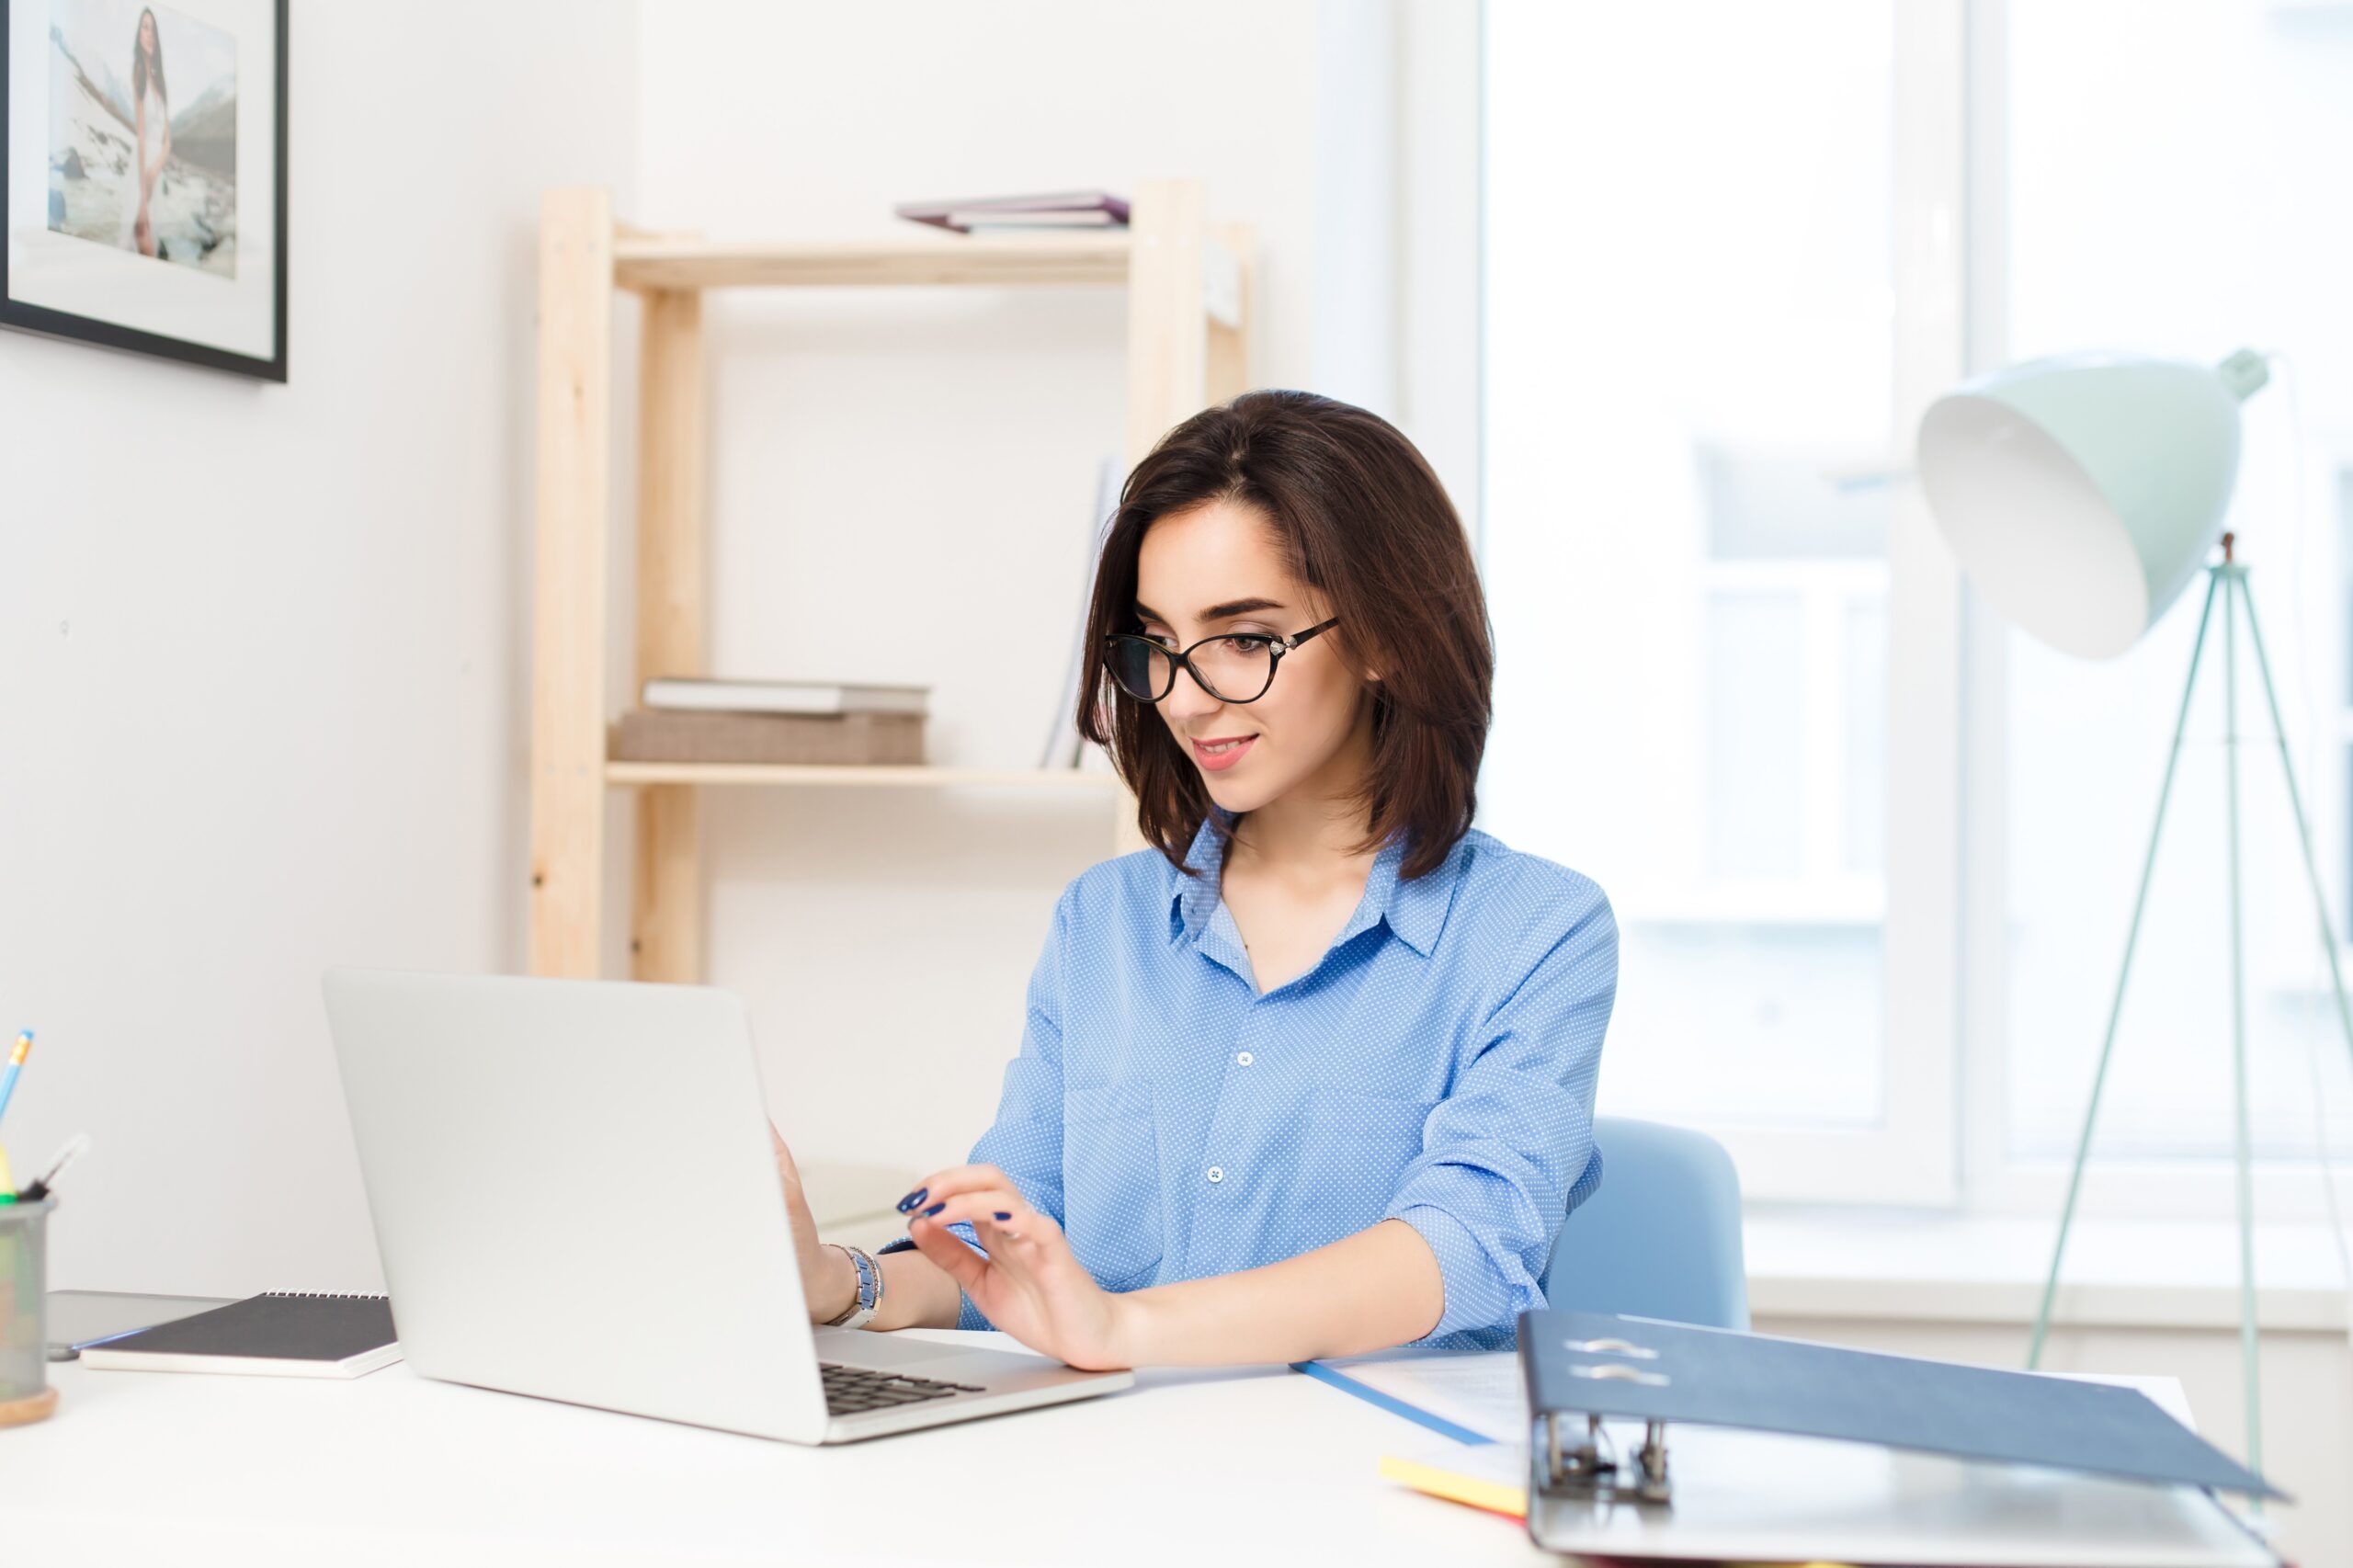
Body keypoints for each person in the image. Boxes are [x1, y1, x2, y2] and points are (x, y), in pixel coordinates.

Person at [772, 390, 1617, 1369]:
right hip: (1122, 1464)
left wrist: (1126, 1326)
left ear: (1385, 635)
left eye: (1246, 638)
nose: (1184, 693)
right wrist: (841, 1280)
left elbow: (1464, 1245)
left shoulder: (1535, 930)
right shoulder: (1103, 921)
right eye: (1157, 644)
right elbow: (1016, 1241)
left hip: (1373, 1476)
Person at [123, 7, 170, 258]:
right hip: (141, 169)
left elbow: (168, 140)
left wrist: (155, 170)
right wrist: (142, 197)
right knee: (142, 237)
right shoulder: (138, 72)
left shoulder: (160, 82)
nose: (148, 33)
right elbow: (142, 135)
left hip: (155, 171)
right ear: (138, 34)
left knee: (151, 239)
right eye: (144, 27)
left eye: (152, 28)